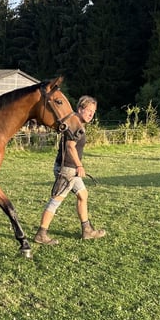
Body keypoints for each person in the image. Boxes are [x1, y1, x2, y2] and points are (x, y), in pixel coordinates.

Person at [34, 95, 106, 245]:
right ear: (80, 109)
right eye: (88, 111)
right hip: (67, 169)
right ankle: (41, 234)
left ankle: (87, 230)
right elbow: (70, 147)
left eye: (93, 111)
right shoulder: (74, 124)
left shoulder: (77, 123)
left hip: (71, 169)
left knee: (83, 195)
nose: (91, 114)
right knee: (55, 201)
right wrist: (79, 166)